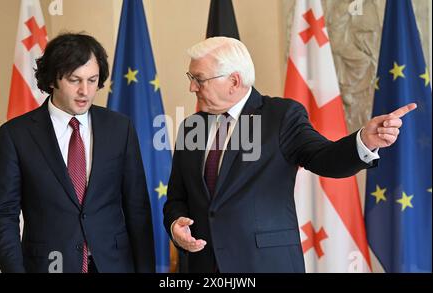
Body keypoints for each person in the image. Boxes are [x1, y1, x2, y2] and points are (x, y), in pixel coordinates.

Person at [163, 36, 416, 273]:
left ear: (234, 81)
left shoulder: (281, 116)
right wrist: (175, 226)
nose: (191, 87)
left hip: (264, 264)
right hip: (203, 267)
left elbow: (325, 157)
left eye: (199, 79)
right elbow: (177, 197)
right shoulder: (191, 127)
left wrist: (363, 141)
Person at [0, 33, 155, 273]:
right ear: (53, 79)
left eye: (92, 80)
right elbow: (3, 215)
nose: (85, 91)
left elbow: (137, 207)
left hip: (114, 264)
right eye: (74, 80)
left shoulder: (120, 128)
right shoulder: (15, 135)